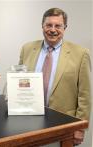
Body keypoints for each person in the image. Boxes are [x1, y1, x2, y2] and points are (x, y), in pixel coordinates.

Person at [19, 8, 91, 146]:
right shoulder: (27, 49)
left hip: (63, 126)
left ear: (65, 27)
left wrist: (80, 128)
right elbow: (19, 81)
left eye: (58, 25)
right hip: (28, 122)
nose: (53, 29)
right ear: (42, 26)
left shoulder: (81, 54)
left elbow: (85, 96)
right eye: (49, 25)